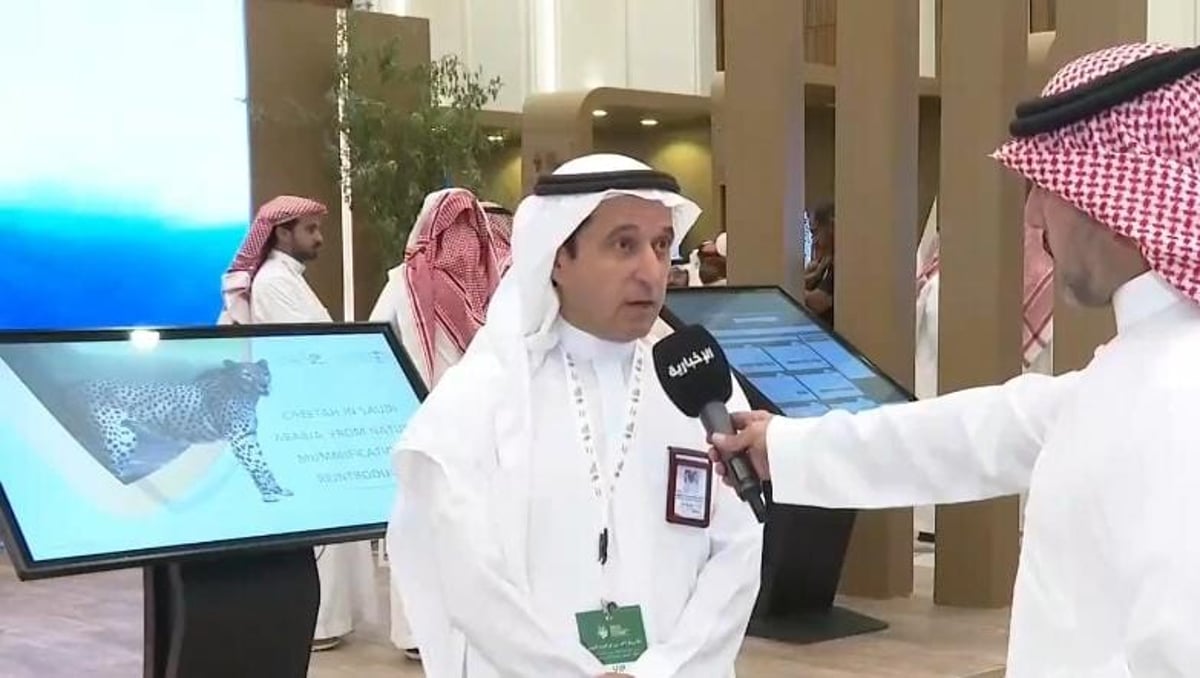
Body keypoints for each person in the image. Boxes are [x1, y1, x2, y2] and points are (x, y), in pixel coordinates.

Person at [709, 42, 1200, 676]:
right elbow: (973, 435)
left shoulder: (1178, 392)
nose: (1033, 215)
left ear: (1114, 199)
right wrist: (784, 446)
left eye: (1046, 186)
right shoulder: (1140, 367)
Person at [387, 154, 763, 678]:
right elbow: (469, 577)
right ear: (558, 256)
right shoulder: (483, 397)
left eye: (660, 245)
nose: (651, 271)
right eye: (624, 245)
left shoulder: (702, 391)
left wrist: (663, 670)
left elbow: (739, 548)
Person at [220, 195, 378, 652]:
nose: (319, 238)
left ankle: (330, 620)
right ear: (282, 232)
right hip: (301, 417)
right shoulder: (273, 282)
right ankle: (317, 623)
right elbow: (303, 348)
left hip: (316, 411)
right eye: (310, 229)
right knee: (318, 529)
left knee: (334, 524)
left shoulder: (288, 278)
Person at [368, 188, 509, 660]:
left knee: (459, 530)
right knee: (419, 526)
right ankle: (418, 632)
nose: (465, 245)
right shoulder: (406, 285)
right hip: (421, 425)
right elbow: (376, 343)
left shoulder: (487, 288)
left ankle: (453, 631)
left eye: (471, 233)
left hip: (472, 430)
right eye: (458, 233)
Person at [802, 203, 835, 325]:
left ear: (832, 226)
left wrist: (789, 288)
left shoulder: (842, 263)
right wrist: (815, 274)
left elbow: (818, 302)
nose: (814, 240)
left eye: (816, 231)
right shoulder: (823, 262)